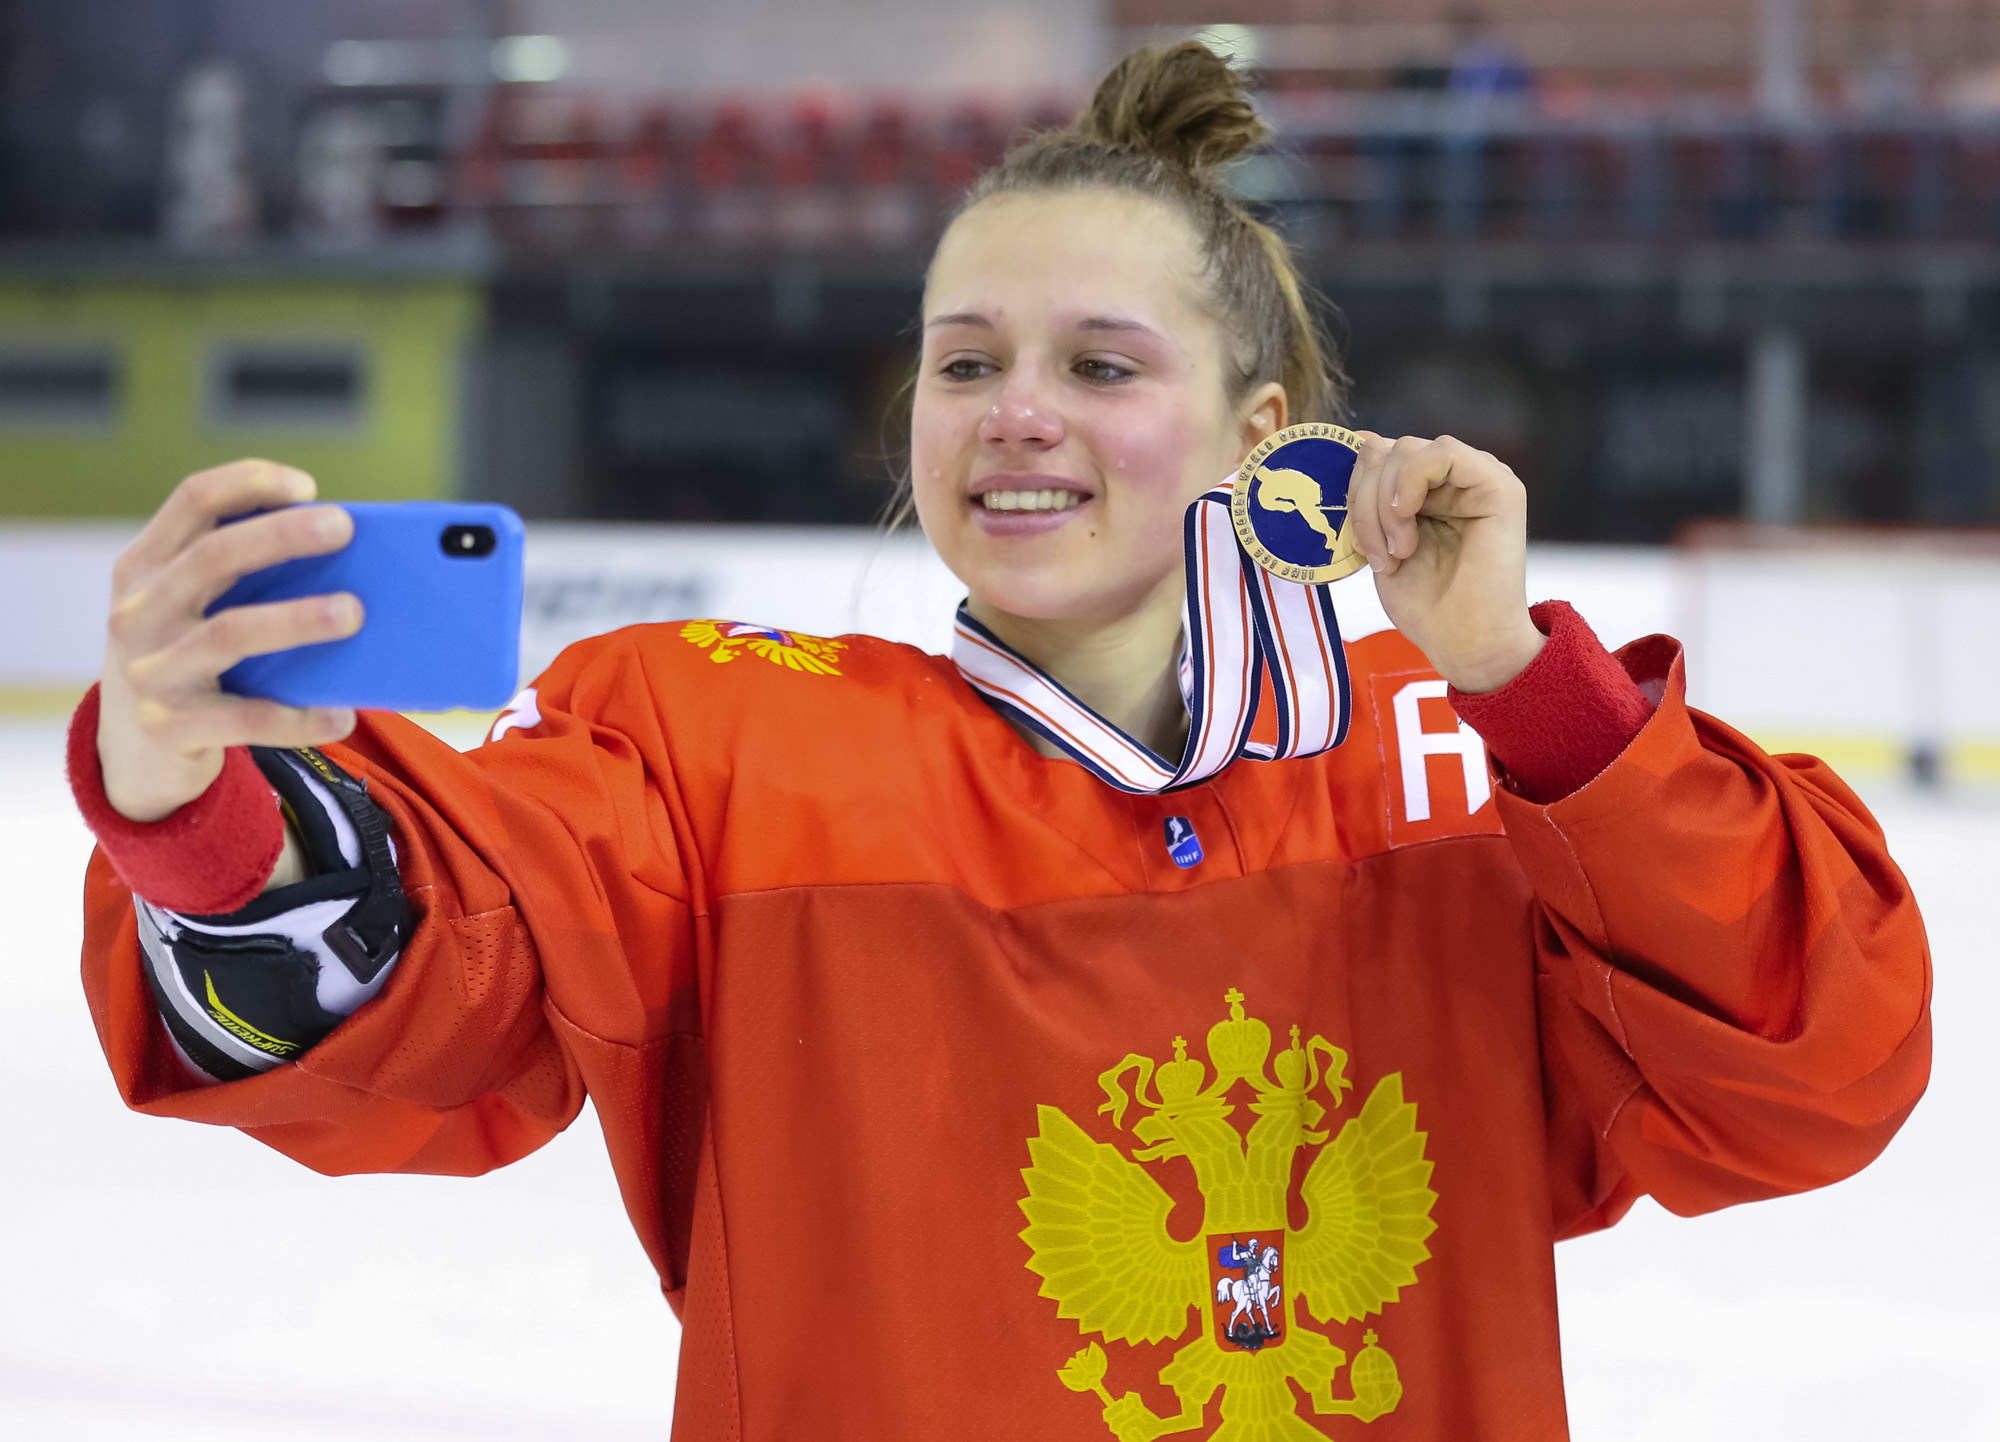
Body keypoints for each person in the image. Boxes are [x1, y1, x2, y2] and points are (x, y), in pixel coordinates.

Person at [69, 43, 1929, 1442]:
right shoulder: (713, 745)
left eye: (1101, 367)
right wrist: (195, 801)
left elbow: (1815, 1059)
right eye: (967, 362)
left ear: (1252, 429)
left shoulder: (1468, 770)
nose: (1014, 413)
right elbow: (429, 992)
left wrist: (1528, 683)